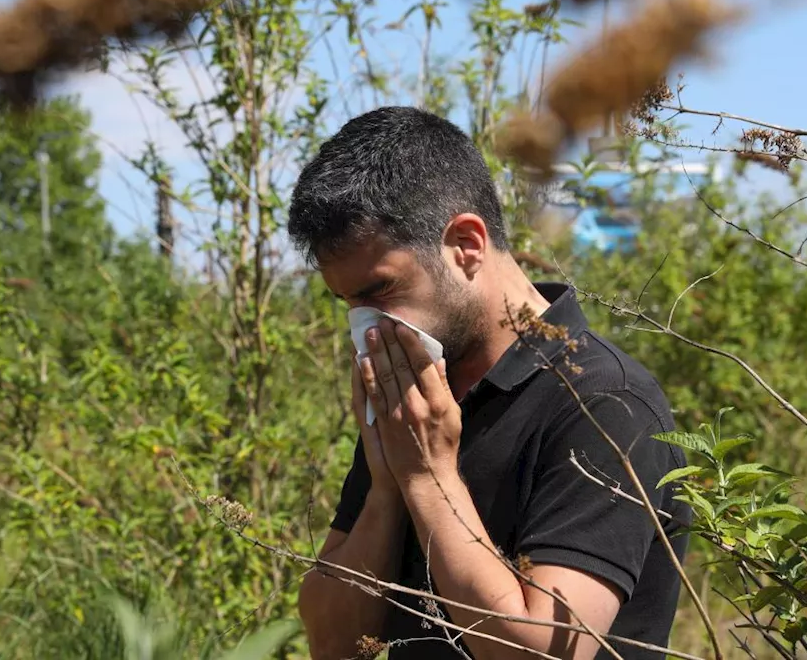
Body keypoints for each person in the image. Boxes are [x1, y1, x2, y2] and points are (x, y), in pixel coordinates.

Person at [290, 106, 691, 660]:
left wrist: (429, 479)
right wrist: (387, 491)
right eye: (348, 302)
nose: (365, 324)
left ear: (466, 246)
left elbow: (543, 651)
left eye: (379, 291)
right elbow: (333, 645)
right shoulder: (417, 397)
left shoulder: (603, 401)